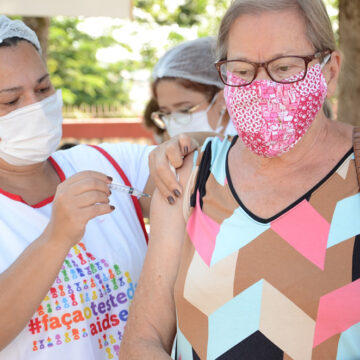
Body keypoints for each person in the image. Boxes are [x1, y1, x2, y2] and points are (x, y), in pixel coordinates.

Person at [119, 1, 360, 359]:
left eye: (283, 67)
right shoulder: (190, 175)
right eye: (243, 71)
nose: (262, 87)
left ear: (329, 71)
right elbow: (143, 340)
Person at [0, 16, 200, 359]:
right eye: (10, 100)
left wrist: (189, 142)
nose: (35, 106)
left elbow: (192, 168)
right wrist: (55, 238)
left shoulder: (106, 163)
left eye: (44, 88)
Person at [150, 37, 236, 139]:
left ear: (222, 100)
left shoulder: (248, 146)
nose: (174, 123)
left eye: (185, 109)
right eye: (166, 113)